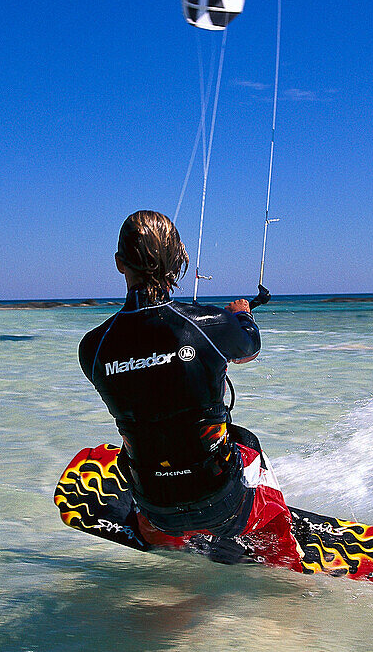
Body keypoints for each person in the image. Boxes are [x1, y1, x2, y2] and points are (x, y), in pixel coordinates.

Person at [78, 210, 304, 570]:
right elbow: (251, 347)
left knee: (143, 437)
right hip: (222, 505)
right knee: (247, 442)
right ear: (178, 261)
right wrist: (242, 315)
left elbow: (148, 385)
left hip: (156, 510)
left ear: (120, 264)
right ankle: (278, 551)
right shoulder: (209, 326)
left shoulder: (92, 348)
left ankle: (161, 532)